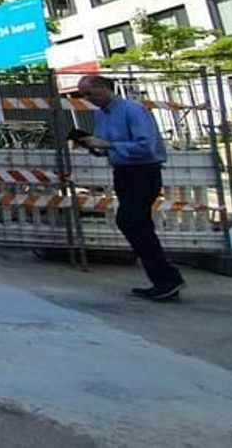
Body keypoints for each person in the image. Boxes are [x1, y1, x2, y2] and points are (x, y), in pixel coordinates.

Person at [74, 74, 184, 301]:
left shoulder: (133, 110)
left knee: (130, 220)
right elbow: (106, 146)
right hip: (123, 173)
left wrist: (108, 144)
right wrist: (93, 145)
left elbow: (146, 146)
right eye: (84, 95)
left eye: (89, 93)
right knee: (138, 224)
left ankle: (167, 277)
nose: (88, 99)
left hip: (143, 172)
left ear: (104, 87)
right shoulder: (101, 115)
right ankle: (164, 279)